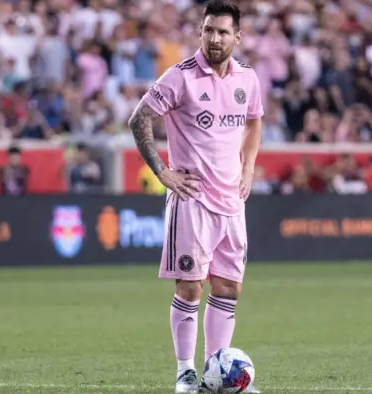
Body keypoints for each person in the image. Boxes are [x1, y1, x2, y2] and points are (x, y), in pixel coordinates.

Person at [127, 1, 263, 393]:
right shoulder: (180, 77)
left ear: (237, 36)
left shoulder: (247, 79)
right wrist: (162, 171)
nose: (214, 39)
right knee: (190, 286)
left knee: (228, 288)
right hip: (193, 200)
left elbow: (254, 121)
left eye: (222, 32)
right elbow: (139, 119)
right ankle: (185, 373)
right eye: (208, 31)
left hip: (232, 202)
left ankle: (214, 374)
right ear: (200, 33)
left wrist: (249, 167)